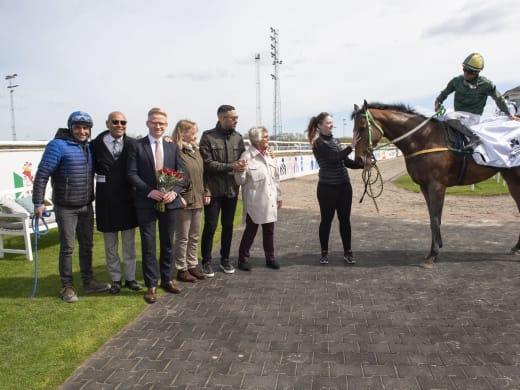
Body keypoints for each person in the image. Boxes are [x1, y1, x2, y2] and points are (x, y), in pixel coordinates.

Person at [32, 111, 110, 303]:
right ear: (71, 128)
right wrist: (38, 202)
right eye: (78, 127)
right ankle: (66, 286)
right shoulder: (57, 146)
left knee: (87, 246)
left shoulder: (90, 148)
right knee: (68, 247)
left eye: (86, 128)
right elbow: (42, 174)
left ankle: (88, 281)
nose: (82, 131)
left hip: (85, 206)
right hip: (65, 207)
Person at [127, 107, 185, 304]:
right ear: (147, 124)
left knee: (168, 243)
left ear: (166, 125)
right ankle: (151, 284)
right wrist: (149, 191)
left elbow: (182, 174)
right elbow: (131, 174)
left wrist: (174, 192)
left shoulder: (172, 147)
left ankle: (167, 279)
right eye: (154, 122)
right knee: (149, 245)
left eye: (161, 123)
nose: (158, 125)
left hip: (169, 203)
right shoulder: (137, 146)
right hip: (146, 203)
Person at [91, 111, 142, 294]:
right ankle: (115, 280)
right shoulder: (95, 146)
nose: (120, 125)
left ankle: (130, 278)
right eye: (115, 122)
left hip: (128, 201)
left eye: (123, 122)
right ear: (107, 124)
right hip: (106, 203)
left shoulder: (133, 144)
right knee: (110, 246)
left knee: (129, 245)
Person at [306, 112, 363, 265]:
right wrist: (351, 146)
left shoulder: (336, 141)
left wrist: (363, 165)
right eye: (328, 123)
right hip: (327, 188)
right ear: (319, 126)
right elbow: (333, 158)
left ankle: (348, 252)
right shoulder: (318, 143)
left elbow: (345, 161)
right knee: (326, 221)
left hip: (344, 187)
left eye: (332, 122)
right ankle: (324, 252)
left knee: (345, 220)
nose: (332, 125)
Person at [434, 52, 520, 150]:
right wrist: (438, 101)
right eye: (464, 70)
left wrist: (509, 114)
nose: (466, 73)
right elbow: (445, 92)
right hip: (459, 114)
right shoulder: (456, 81)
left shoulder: (486, 84)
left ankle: (474, 138)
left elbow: (499, 99)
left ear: (476, 73)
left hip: (473, 117)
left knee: (449, 117)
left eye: (469, 71)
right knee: (439, 119)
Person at [198, 105, 246, 276]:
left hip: (231, 191)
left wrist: (242, 165)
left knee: (227, 227)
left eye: (236, 117)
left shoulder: (238, 138)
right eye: (233, 118)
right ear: (221, 118)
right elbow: (207, 163)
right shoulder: (208, 137)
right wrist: (231, 166)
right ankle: (206, 261)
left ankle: (225, 259)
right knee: (210, 227)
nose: (236, 120)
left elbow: (243, 158)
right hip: (213, 191)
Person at [234, 126, 282, 271]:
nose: (268, 139)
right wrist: (240, 171)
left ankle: (270, 257)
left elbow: (276, 179)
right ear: (257, 139)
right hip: (254, 203)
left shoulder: (269, 155)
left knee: (269, 231)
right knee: (250, 231)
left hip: (270, 201)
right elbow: (240, 181)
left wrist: (279, 196)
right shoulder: (246, 156)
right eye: (265, 136)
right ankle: (243, 259)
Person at [171, 119, 209, 282]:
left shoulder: (196, 151)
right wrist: (178, 196)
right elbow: (171, 176)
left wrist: (206, 191)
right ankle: (181, 268)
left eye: (195, 132)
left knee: (194, 235)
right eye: (192, 132)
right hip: (184, 201)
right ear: (182, 133)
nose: (195, 135)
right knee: (182, 237)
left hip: (198, 199)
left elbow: (202, 175)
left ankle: (192, 265)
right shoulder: (175, 151)